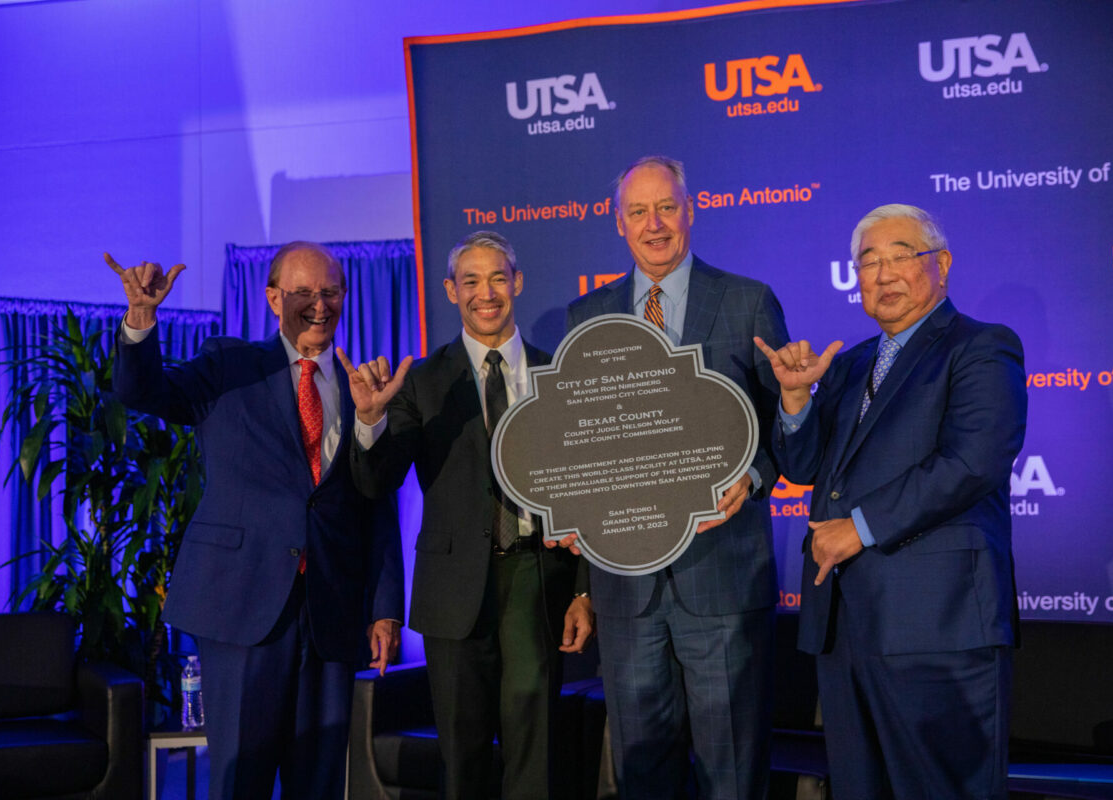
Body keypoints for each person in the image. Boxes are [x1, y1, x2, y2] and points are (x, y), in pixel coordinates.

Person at [107, 242, 405, 800]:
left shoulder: (360, 386)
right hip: (242, 606)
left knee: (318, 784)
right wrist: (142, 319)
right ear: (273, 298)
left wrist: (386, 609)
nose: (320, 305)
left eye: (331, 292)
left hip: (330, 615)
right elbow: (142, 391)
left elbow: (376, 503)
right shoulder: (230, 365)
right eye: (304, 293)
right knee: (240, 780)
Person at [757, 204, 1027, 799]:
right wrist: (796, 402)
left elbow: (971, 462)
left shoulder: (981, 347)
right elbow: (804, 469)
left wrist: (859, 527)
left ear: (942, 265)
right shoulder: (851, 364)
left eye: (900, 255)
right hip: (845, 628)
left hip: (939, 625)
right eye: (868, 261)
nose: (882, 273)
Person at [561, 156, 789, 799]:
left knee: (733, 774)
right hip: (627, 592)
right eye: (638, 212)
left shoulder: (747, 301)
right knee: (642, 776)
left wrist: (753, 471)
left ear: (691, 211)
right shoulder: (588, 316)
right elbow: (580, 450)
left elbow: (787, 431)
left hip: (721, 578)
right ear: (618, 225)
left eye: (666, 208)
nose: (654, 224)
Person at [340, 230, 594, 800]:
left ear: (518, 283)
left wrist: (583, 590)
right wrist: (369, 421)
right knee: (464, 758)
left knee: (537, 755)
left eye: (498, 278)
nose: (487, 293)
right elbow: (375, 480)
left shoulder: (561, 374)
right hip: (453, 592)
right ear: (451, 291)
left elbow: (587, 493)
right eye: (472, 281)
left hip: (539, 578)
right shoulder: (424, 382)